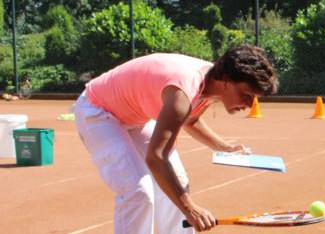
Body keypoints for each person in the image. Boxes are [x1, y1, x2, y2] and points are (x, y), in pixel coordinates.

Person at [72, 44, 278, 233]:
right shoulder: (184, 90)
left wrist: (225, 147)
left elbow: (190, 119)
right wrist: (190, 208)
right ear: (225, 80)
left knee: (176, 183)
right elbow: (156, 156)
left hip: (135, 117)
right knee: (138, 192)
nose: (250, 104)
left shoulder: (210, 83)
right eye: (246, 94)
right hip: (98, 111)